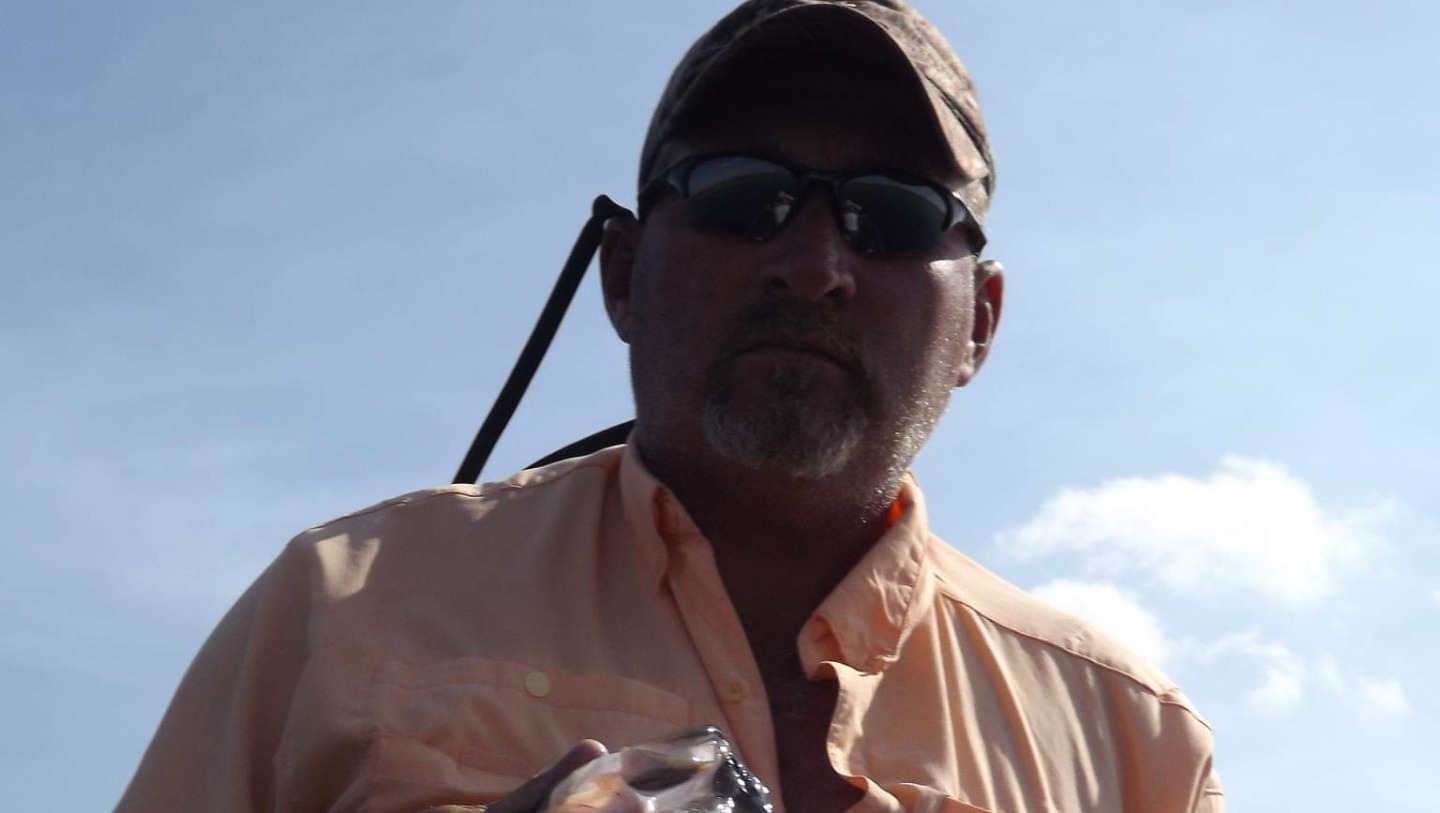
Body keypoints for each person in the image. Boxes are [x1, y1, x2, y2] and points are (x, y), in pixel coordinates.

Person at [116, 2, 1224, 812]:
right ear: (622, 272)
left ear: (979, 321)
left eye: (891, 215)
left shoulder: (1134, 745)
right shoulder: (343, 606)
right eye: (742, 196)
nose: (812, 266)